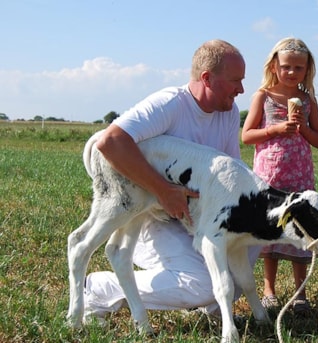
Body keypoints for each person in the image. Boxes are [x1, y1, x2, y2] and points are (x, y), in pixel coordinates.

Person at [83, 39, 261, 322]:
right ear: (207, 78)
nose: (241, 89)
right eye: (235, 81)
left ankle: (215, 308)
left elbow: (231, 172)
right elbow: (110, 142)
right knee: (201, 284)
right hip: (152, 218)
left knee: (249, 241)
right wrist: (163, 191)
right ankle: (99, 289)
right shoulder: (169, 104)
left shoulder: (226, 114)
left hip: (189, 217)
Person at [241, 37, 318, 315]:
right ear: (274, 66)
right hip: (269, 175)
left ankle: (301, 293)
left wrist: (302, 128)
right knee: (270, 232)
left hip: (299, 176)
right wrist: (275, 130)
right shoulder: (263, 96)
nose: (292, 72)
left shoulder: (308, 100)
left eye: (298, 68)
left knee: (300, 230)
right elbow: (247, 135)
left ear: (307, 70)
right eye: (286, 67)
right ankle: (269, 290)